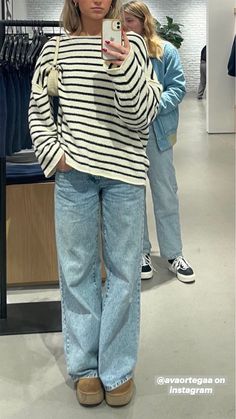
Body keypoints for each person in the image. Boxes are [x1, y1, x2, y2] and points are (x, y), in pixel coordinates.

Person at [29, 0, 162, 408]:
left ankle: (117, 368)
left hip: (124, 175)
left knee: (124, 273)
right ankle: (86, 368)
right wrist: (55, 156)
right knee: (76, 272)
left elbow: (143, 115)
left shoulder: (133, 45)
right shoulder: (54, 50)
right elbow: (38, 110)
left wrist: (122, 66)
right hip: (74, 176)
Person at [123, 1, 195, 283]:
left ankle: (174, 253)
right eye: (121, 21)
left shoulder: (165, 50)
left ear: (143, 21)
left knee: (165, 193)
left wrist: (151, 105)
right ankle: (141, 252)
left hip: (158, 132)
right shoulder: (119, 52)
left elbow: (178, 87)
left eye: (129, 20)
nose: (125, 26)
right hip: (127, 134)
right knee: (132, 196)